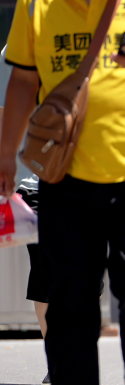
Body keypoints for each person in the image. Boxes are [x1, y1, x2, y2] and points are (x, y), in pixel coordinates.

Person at [0, 0, 125, 383]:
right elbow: (24, 79)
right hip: (63, 181)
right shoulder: (35, 4)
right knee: (69, 305)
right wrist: (6, 154)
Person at [0, 45, 48, 384]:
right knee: (47, 276)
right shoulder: (12, 52)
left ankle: (66, 356)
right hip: (35, 186)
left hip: (92, 181)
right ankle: (58, 359)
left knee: (83, 277)